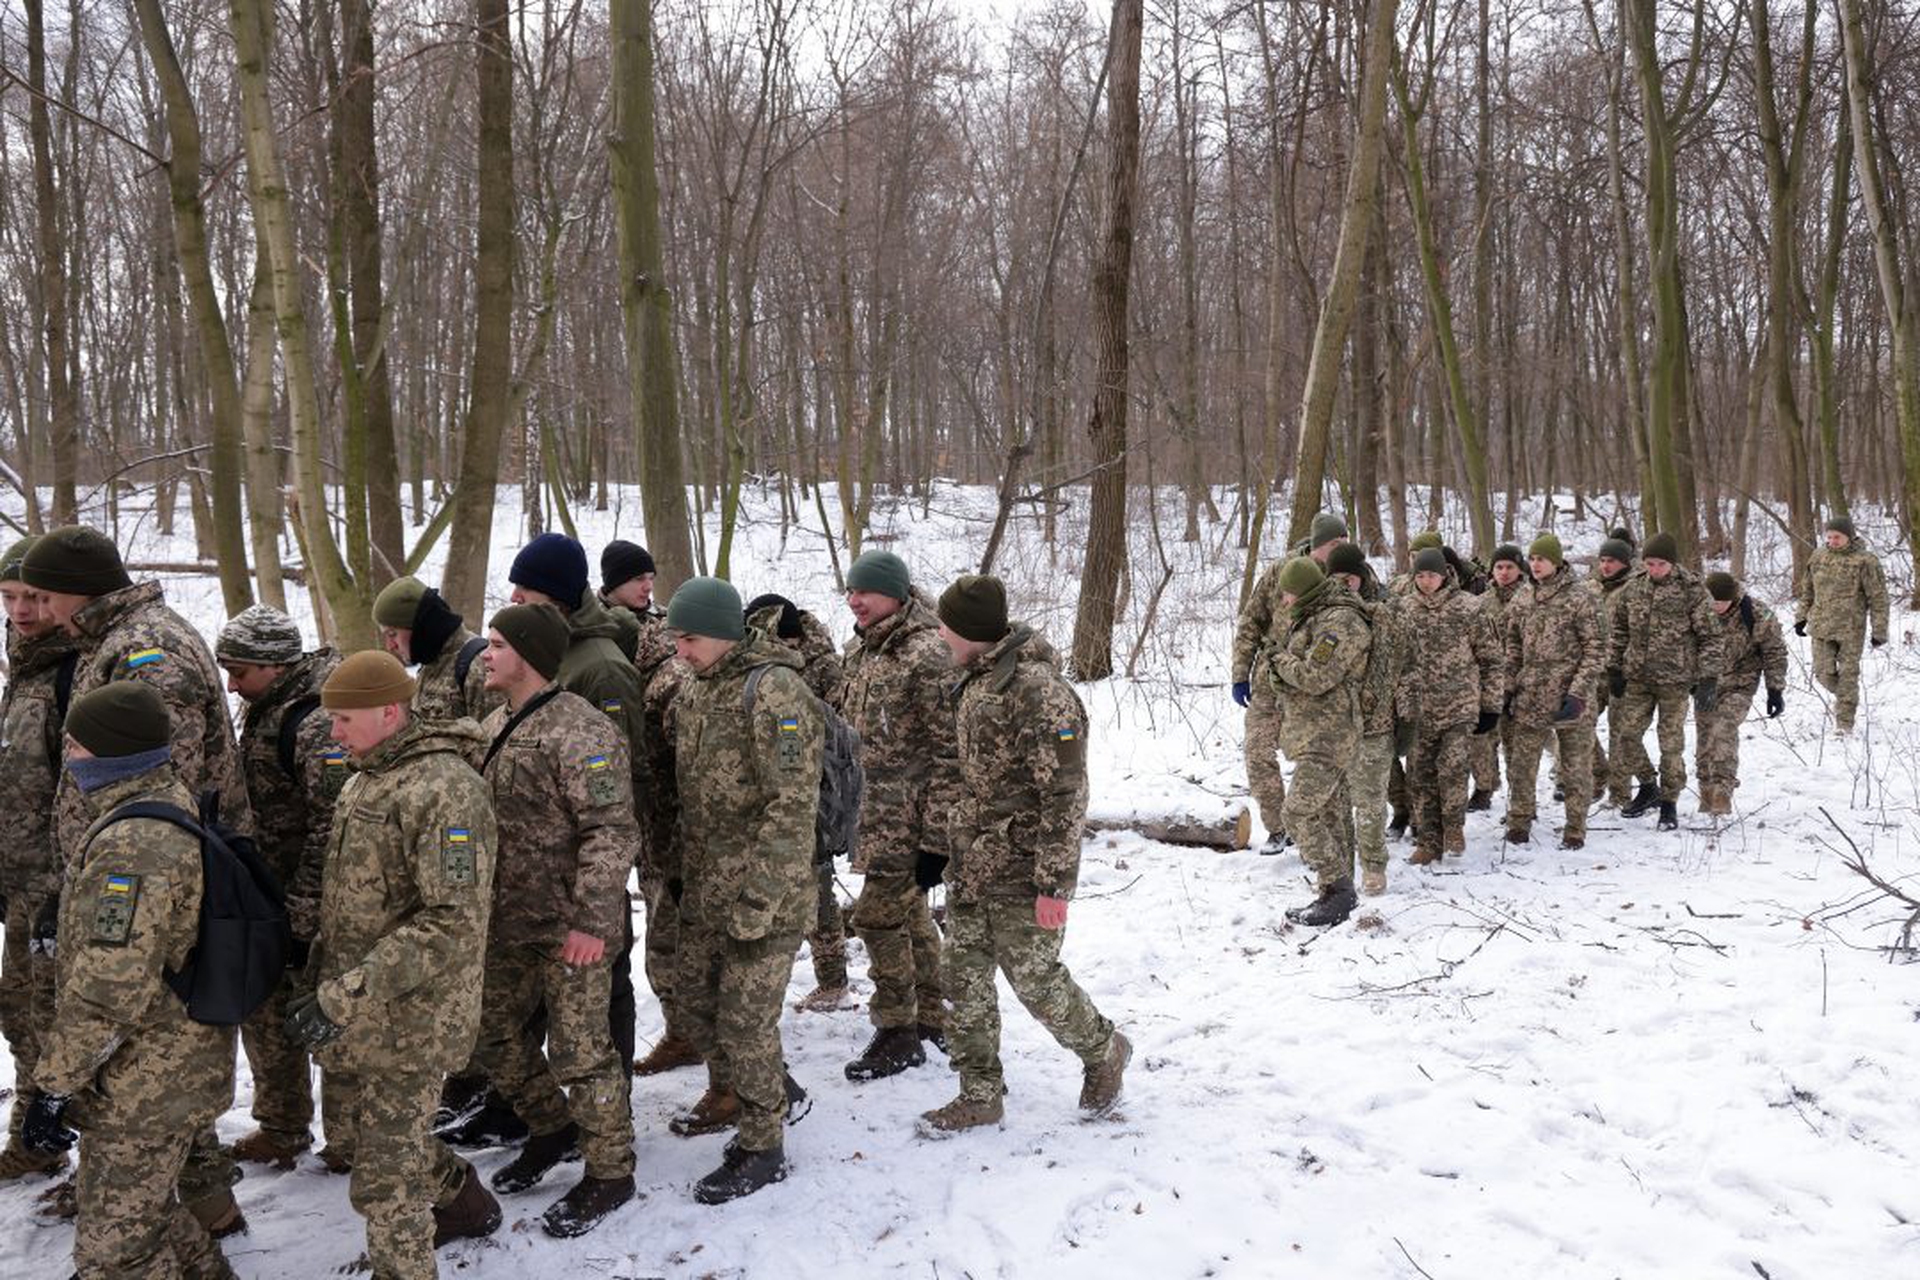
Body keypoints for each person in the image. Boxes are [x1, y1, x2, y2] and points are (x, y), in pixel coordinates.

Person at [21, 526, 249, 1235]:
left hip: (151, 886)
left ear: (76, 591)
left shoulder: (147, 651)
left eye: (45, 595)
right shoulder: (107, 639)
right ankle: (196, 1202)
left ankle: (134, 1205)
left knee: (150, 1053)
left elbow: (158, 779)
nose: (39, 610)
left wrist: (111, 878)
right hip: (122, 870)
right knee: (154, 1062)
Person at [286, 651, 501, 1275]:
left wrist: (347, 992)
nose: (333, 732)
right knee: (358, 1138)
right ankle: (461, 1198)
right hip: (361, 1004)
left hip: (416, 1015)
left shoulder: (444, 789)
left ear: (388, 711)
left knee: (384, 1178)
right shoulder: (367, 774)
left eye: (344, 720)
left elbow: (450, 921)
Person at [26, 683, 235, 1278]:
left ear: (112, 753)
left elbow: (109, 989)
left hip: (145, 1080)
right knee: (147, 1213)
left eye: (76, 743)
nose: (66, 753)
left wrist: (55, 1086)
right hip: (170, 1061)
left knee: (115, 1253)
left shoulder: (132, 845)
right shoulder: (164, 800)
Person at [917, 575, 1129, 1135]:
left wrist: (1054, 886)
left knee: (1036, 983)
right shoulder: (976, 679)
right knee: (961, 977)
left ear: (970, 631)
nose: (939, 632)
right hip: (974, 863)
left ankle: (1104, 1050)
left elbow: (1066, 794)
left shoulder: (1039, 692)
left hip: (1024, 868)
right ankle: (980, 1093)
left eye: (946, 623)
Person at [471, 606, 637, 1235]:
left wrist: (593, 921)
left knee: (580, 1051)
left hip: (573, 927)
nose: (486, 655)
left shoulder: (582, 731)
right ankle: (551, 1125)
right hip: (509, 923)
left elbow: (611, 830)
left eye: (496, 645)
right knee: (490, 1031)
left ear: (529, 655)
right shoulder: (494, 724)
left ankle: (610, 1172)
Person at [663, 577, 821, 1202]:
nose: (680, 648)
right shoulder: (697, 689)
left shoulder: (775, 690)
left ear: (726, 632)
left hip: (766, 894)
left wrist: (761, 898)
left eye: (691, 637)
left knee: (747, 1022)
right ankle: (753, 1093)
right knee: (698, 1005)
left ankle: (763, 1143)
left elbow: (791, 806)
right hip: (706, 890)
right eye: (675, 636)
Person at [214, 606, 341, 1170]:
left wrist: (303, 910)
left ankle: (352, 1140)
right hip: (268, 895)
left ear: (274, 665)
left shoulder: (312, 723)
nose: (231, 682)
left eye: (239, 670)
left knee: (330, 1019)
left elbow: (332, 824)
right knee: (265, 1014)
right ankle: (283, 1123)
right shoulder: (265, 707)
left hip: (310, 903)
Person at [836, 551, 958, 1080]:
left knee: (876, 918)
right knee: (910, 917)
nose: (854, 601)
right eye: (850, 591)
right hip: (872, 816)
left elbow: (950, 752)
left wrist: (936, 841)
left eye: (865, 592)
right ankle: (931, 1017)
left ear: (897, 594)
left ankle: (896, 1030)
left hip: (908, 823)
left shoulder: (926, 654)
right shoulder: (865, 650)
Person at [0, 538, 76, 1182]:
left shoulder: (73, 670)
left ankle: (51, 1140)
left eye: (32, 597)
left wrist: (64, 886)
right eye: (8, 598)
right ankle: (34, 1141)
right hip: (21, 880)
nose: (21, 610)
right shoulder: (24, 664)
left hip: (62, 887)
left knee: (61, 1025)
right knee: (20, 1012)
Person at [744, 592, 851, 1013]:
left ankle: (833, 979)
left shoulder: (818, 665)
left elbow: (837, 724)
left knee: (817, 882)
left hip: (817, 788)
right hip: (780, 786)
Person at [1262, 559, 1374, 926]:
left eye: (1288, 593)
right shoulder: (1314, 615)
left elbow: (1315, 676)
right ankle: (1337, 894)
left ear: (1306, 590)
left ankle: (1338, 888)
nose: (1284, 601)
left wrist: (1278, 660)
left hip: (1330, 735)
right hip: (1314, 731)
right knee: (1331, 811)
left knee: (1297, 812)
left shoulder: (1339, 622)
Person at [1605, 532, 1725, 831]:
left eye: (1660, 564)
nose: (1655, 569)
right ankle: (1648, 786)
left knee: (1670, 745)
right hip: (1638, 678)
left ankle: (1669, 803)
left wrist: (1708, 678)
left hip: (1676, 680)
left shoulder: (1693, 591)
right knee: (1626, 736)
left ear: (1671, 563)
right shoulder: (1633, 589)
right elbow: (1619, 631)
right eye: (1649, 563)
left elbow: (1710, 638)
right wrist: (1614, 668)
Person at [1398, 548, 1504, 865]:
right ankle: (1429, 840)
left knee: (1454, 770)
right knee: (1420, 777)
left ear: (1444, 575)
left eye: (1431, 575)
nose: (1425, 582)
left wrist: (1491, 706)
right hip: (1420, 711)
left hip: (1460, 707)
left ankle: (1454, 828)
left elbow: (1491, 661)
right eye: (1419, 576)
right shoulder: (1403, 610)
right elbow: (1397, 665)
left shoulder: (1470, 608)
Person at [630, 603, 699, 1077]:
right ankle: (685, 1035)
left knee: (674, 949)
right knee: (664, 948)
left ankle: (692, 1039)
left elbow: (685, 772)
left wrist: (676, 854)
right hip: (658, 839)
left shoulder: (669, 678)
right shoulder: (641, 671)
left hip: (676, 842)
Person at [1501, 535, 1603, 849]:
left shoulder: (1580, 597)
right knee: (1521, 763)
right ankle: (1519, 821)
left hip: (1570, 696)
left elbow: (1596, 649)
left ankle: (1575, 827)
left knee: (1574, 766)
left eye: (1542, 559)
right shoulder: (1523, 597)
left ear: (1556, 561)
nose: (1536, 565)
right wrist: (1507, 686)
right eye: (1532, 559)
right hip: (1530, 695)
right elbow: (1513, 645)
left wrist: (1579, 693)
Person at [1327, 543, 1401, 896]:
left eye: (1350, 577)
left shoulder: (1386, 609)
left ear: (1362, 575)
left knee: (1369, 801)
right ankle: (1341, 870)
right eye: (1336, 577)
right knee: (1336, 801)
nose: (1344, 583)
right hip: (1333, 723)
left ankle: (1373, 866)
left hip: (1374, 722)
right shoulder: (1321, 611)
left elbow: (1402, 662)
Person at [1698, 572, 1788, 815]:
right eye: (1711, 602)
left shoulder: (1756, 613)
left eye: (1720, 603)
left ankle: (1723, 791)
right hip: (1704, 684)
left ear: (1732, 598)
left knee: (1724, 728)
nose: (1715, 607)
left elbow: (1774, 651)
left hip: (1741, 683)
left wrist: (1775, 689)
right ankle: (1706, 792)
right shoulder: (1697, 609)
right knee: (1705, 737)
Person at [1794, 516, 1889, 735]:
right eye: (1829, 536)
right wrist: (1801, 616)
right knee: (1822, 674)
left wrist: (1879, 631)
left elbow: (1878, 598)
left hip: (1851, 629)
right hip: (1821, 626)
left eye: (1837, 537)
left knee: (1848, 675)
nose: (1832, 541)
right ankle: (1848, 697)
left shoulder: (1866, 561)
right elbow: (1807, 590)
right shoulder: (1818, 557)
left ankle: (1844, 724)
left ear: (1850, 536)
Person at [372, 576, 502, 723]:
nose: (390, 645)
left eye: (392, 634)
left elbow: (493, 740)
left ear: (418, 627)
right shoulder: (430, 662)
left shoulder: (478, 665)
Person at [1586, 534, 1650, 805]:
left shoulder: (1637, 588)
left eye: (1611, 561)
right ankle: (1599, 771)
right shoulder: (1589, 588)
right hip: (1592, 669)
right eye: (1602, 560)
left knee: (1619, 732)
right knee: (1578, 723)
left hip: (1625, 671)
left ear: (1624, 562)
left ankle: (1620, 793)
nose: (1605, 566)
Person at [1468, 545, 1526, 812]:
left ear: (1519, 569)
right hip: (1488, 683)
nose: (1503, 572)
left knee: (1517, 745)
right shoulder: (1481, 602)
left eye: (1509, 567)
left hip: (1521, 682)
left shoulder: (1529, 599)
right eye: (1499, 567)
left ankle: (1521, 800)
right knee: (1482, 739)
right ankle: (1485, 786)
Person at [599, 540, 661, 662]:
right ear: (615, 582)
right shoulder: (590, 624)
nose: (649, 587)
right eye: (639, 579)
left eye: (651, 578)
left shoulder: (665, 618)